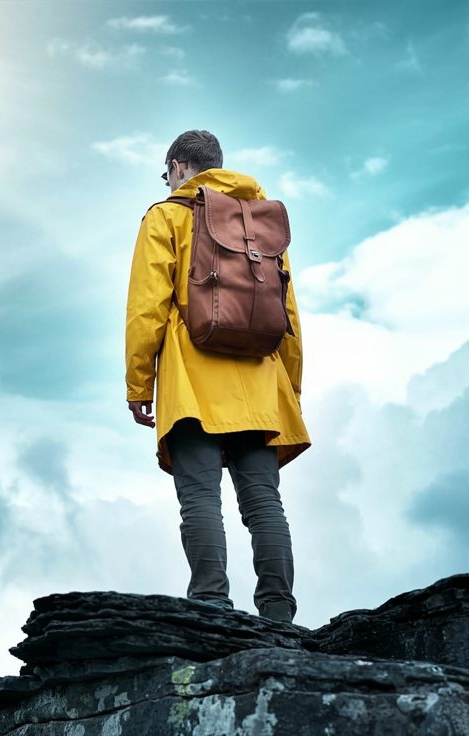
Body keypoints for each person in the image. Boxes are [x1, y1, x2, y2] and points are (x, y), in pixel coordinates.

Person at [124, 130, 310, 622]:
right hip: (259, 383)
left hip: (192, 380)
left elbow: (147, 307)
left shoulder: (167, 216)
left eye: (167, 174)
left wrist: (139, 384)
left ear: (180, 166)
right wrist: (289, 388)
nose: (167, 183)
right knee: (263, 503)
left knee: (200, 497)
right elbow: (286, 312)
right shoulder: (264, 223)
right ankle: (278, 611)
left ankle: (210, 603)